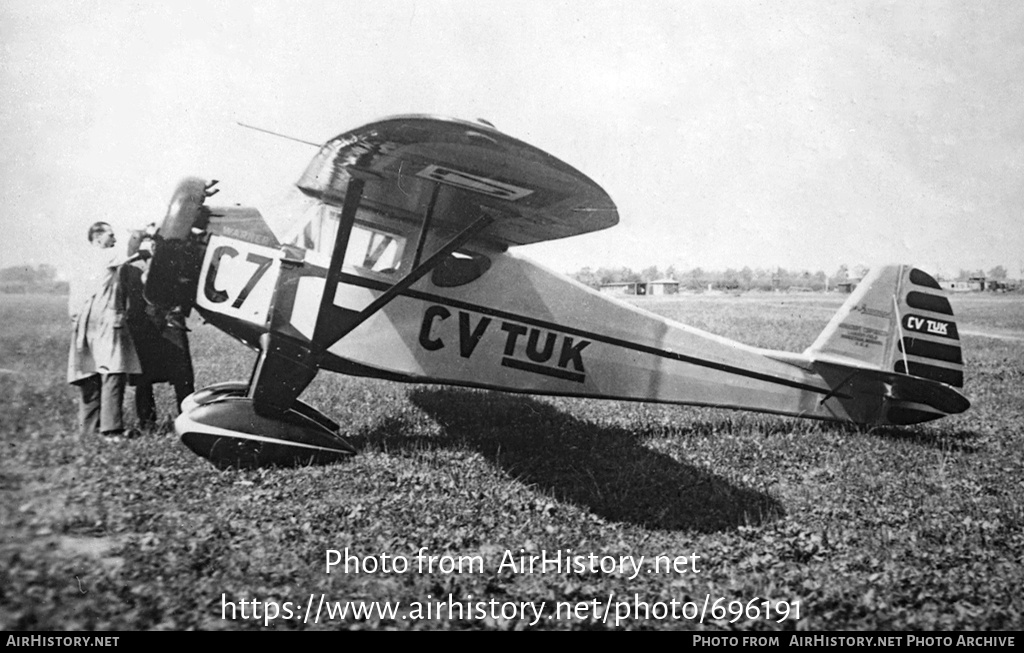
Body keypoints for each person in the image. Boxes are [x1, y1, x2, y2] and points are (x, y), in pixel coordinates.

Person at [67, 221, 143, 439]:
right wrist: (142, 234)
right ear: (98, 237)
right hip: (106, 319)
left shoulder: (81, 262)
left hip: (84, 321)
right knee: (113, 371)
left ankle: (89, 429)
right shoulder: (104, 256)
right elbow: (131, 252)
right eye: (111, 235)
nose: (114, 239)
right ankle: (111, 430)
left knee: (88, 372)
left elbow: (75, 298)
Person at [122, 227, 196, 428]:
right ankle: (146, 421)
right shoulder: (133, 265)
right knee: (144, 378)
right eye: (153, 243)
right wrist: (143, 232)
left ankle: (187, 419)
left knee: (182, 376)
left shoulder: (175, 264)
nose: (155, 247)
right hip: (145, 325)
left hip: (170, 323)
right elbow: (132, 247)